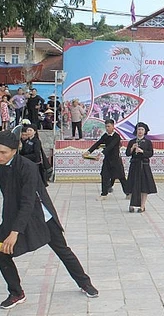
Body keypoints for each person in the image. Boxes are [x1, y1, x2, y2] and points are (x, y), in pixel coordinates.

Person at [0, 130, 98, 309]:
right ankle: (16, 292)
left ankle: (84, 283)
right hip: (14, 215)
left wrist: (14, 233)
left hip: (40, 216)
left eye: (3, 152)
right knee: (1, 253)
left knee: (62, 250)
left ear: (15, 150)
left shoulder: (27, 167)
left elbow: (28, 202)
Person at [83, 119, 128, 201]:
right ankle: (104, 194)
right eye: (106, 126)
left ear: (113, 126)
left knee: (121, 177)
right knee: (104, 175)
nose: (107, 128)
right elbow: (98, 143)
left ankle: (128, 193)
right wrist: (88, 151)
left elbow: (110, 146)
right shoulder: (105, 136)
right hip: (107, 160)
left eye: (109, 126)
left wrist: (100, 153)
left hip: (116, 160)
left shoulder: (116, 136)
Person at [125, 122, 157, 213]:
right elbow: (127, 153)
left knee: (144, 186)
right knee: (132, 185)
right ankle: (131, 205)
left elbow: (150, 153)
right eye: (139, 129)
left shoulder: (148, 142)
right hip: (134, 165)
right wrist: (132, 148)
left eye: (142, 130)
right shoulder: (132, 141)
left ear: (145, 131)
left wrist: (142, 151)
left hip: (144, 165)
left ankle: (142, 206)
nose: (140, 131)